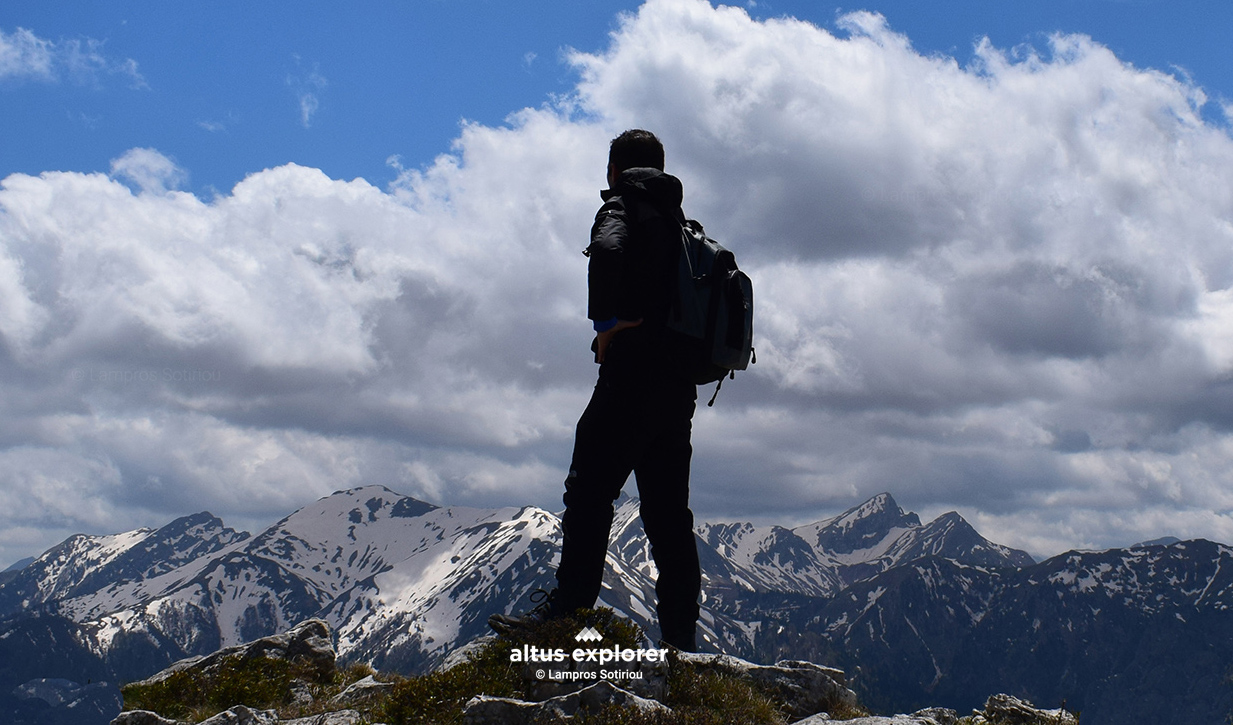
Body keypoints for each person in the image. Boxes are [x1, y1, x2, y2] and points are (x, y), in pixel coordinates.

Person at [489, 129, 701, 652]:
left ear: (613, 171)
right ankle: (680, 643)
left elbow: (607, 253)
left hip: (630, 379)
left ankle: (566, 620)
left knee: (588, 495)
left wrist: (607, 323)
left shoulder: (621, 209)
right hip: (678, 391)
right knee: (669, 516)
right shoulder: (682, 226)